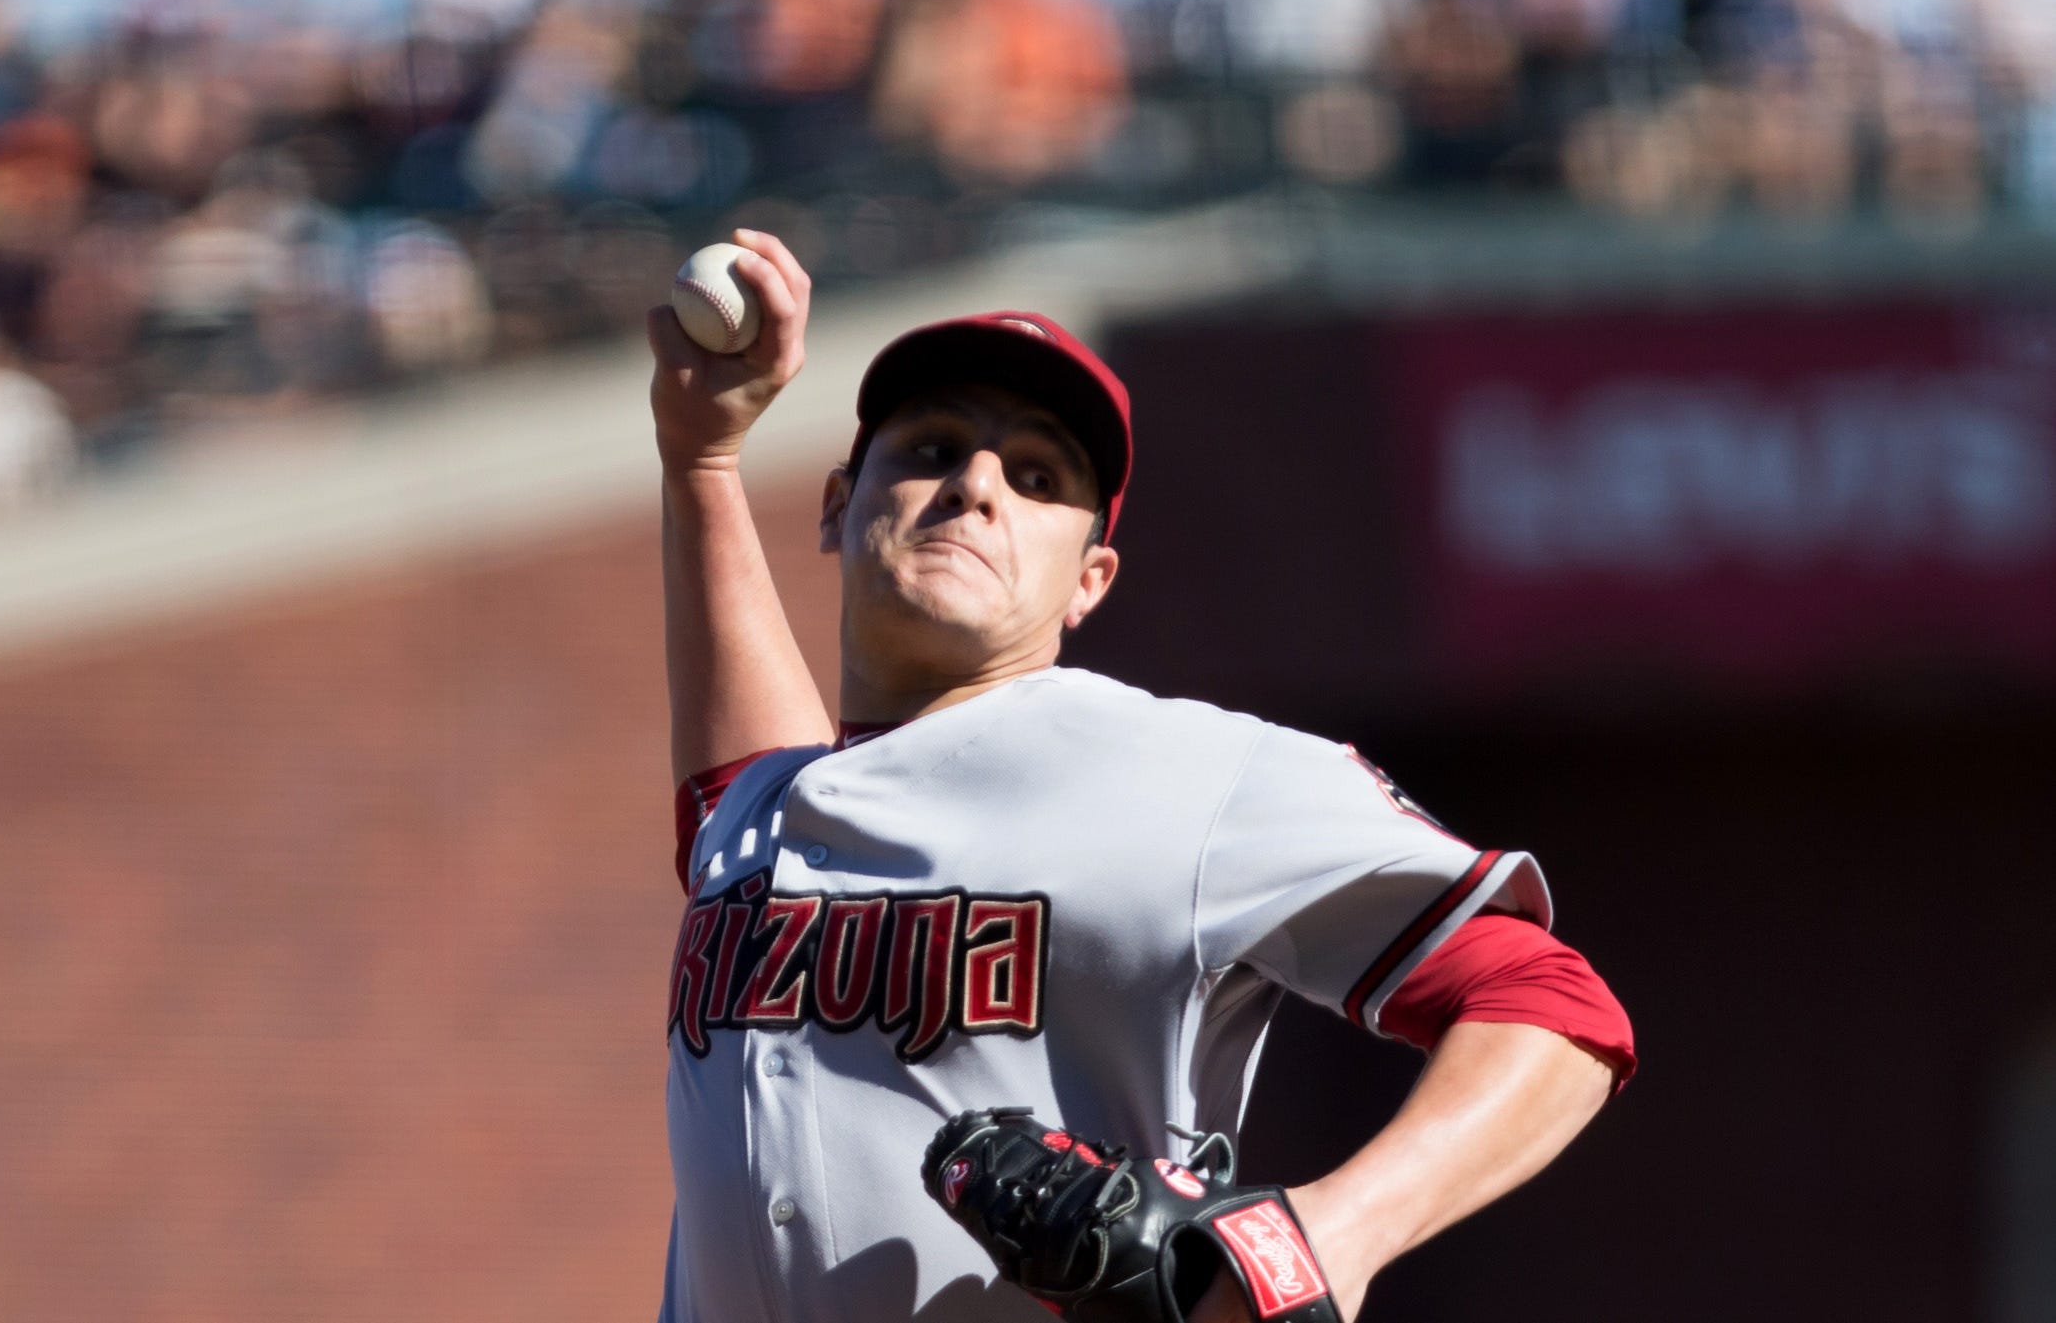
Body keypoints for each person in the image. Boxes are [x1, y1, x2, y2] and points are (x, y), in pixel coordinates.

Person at [644, 230, 1634, 1322]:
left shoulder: (1189, 773)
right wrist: (700, 460)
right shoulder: (757, 815)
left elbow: (1552, 1002)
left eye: (1035, 477)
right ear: (838, 504)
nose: (974, 485)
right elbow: (743, 787)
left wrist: (1321, 1233)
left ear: (1089, 579)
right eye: (930, 446)